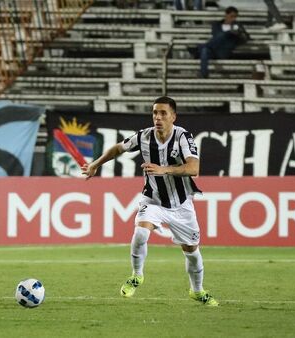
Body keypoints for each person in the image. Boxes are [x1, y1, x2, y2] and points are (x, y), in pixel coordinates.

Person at [81, 96, 219, 307]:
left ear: (173, 116)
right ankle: (137, 275)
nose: (158, 117)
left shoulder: (183, 137)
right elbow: (119, 148)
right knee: (140, 232)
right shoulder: (144, 136)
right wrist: (96, 164)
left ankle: (197, 291)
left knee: (192, 252)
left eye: (163, 113)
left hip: (181, 205)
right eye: (155, 113)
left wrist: (165, 169)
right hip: (153, 199)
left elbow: (194, 169)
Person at [195, 6, 250, 78]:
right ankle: (204, 74)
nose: (233, 19)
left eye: (235, 17)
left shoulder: (237, 26)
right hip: (214, 50)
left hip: (225, 51)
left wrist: (239, 33)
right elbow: (216, 36)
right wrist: (229, 32)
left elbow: (246, 38)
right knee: (205, 50)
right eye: (232, 16)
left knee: (224, 34)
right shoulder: (217, 25)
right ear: (226, 15)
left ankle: (199, 48)